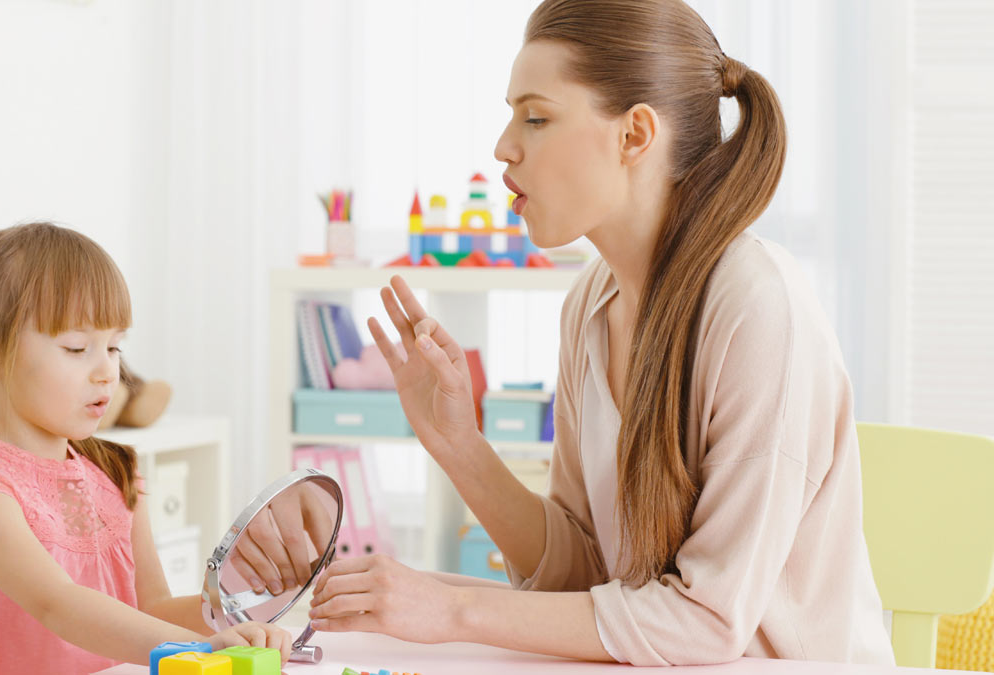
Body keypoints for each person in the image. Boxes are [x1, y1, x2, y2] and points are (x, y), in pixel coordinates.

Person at [308, 0, 895, 666]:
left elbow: (707, 619)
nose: (504, 146)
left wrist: (451, 608)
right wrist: (459, 444)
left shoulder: (759, 309)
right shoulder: (590, 304)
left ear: (634, 135)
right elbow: (585, 572)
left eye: (536, 116)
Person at [0, 222, 291, 674]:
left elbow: (152, 610)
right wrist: (203, 648)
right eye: (77, 347)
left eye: (115, 346)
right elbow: (56, 603)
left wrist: (240, 619)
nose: (107, 370)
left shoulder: (116, 474)